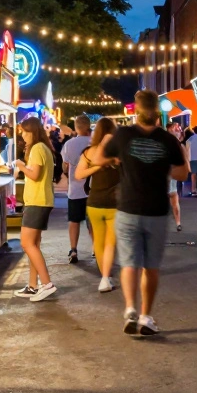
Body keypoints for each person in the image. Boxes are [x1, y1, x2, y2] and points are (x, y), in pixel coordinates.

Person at [103, 90, 188, 336]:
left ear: (136, 111)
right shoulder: (168, 139)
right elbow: (182, 174)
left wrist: (117, 158)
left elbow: (99, 156)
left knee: (130, 263)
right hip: (157, 210)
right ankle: (145, 317)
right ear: (158, 112)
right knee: (151, 266)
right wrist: (163, 164)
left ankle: (130, 308)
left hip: (128, 208)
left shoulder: (124, 135)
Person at [15, 117, 58, 302]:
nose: (23, 135)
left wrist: (21, 166)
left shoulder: (38, 148)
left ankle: (46, 284)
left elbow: (35, 174)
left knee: (26, 243)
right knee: (34, 244)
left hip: (37, 201)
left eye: (25, 132)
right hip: (40, 200)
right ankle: (33, 286)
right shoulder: (43, 148)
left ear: (33, 131)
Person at [76, 117, 121, 292]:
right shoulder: (119, 153)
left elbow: (79, 175)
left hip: (94, 202)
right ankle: (105, 278)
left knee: (99, 242)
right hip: (115, 204)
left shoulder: (89, 152)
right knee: (110, 243)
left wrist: (95, 166)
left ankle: (105, 277)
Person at [61, 115, 93, 264]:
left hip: (74, 189)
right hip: (92, 188)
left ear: (76, 127)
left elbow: (65, 166)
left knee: (73, 220)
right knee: (92, 220)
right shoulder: (94, 143)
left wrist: (67, 172)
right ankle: (95, 248)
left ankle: (73, 249)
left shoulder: (69, 144)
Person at [166, 121, 184, 232]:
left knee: (174, 196)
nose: (176, 129)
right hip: (165, 172)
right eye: (174, 127)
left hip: (171, 172)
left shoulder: (176, 141)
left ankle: (178, 222)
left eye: (176, 127)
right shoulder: (165, 140)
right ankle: (176, 223)